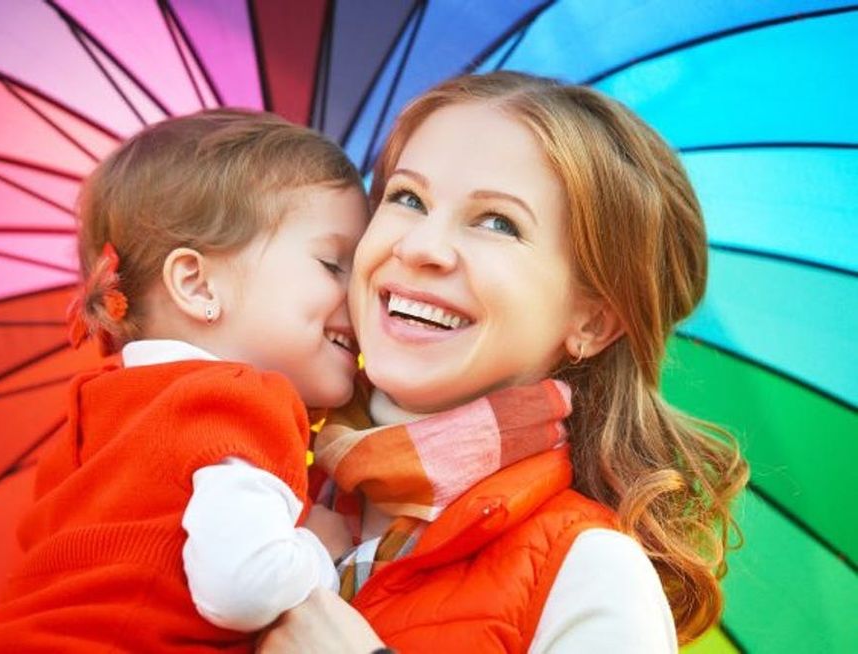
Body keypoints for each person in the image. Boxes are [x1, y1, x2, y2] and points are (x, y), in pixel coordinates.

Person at [258, 72, 748, 653]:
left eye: (498, 222)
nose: (420, 247)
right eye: (408, 198)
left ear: (592, 321)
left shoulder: (587, 573)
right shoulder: (259, 481)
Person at [0, 109, 367, 652]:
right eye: (333, 264)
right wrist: (317, 549)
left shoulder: (101, 404)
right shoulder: (240, 398)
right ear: (197, 285)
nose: (361, 294)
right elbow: (242, 587)